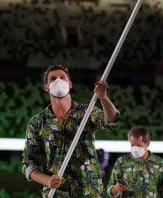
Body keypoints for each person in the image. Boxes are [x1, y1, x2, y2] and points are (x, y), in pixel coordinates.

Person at [21, 64, 120, 197]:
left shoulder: (87, 112)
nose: (58, 81)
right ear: (46, 87)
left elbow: (111, 122)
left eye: (62, 77)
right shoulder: (37, 122)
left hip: (89, 191)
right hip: (57, 193)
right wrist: (47, 180)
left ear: (70, 84)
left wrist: (103, 97)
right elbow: (28, 163)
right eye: (53, 79)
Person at [107, 126, 163, 197]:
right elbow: (110, 190)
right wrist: (116, 189)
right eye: (132, 145)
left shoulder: (159, 163)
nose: (135, 148)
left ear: (147, 144)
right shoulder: (121, 162)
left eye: (138, 145)